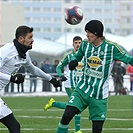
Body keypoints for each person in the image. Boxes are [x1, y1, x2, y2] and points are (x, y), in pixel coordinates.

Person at [55, 20, 133, 133]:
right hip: (82, 89)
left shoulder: (111, 48)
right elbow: (77, 56)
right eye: (86, 32)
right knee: (67, 115)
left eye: (89, 32)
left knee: (97, 129)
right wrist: (74, 62)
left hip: (99, 94)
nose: (87, 35)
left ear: (97, 34)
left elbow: (129, 59)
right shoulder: (85, 44)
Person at [0, 25, 61, 133]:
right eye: (30, 37)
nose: (32, 40)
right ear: (21, 39)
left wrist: (51, 79)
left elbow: (33, 70)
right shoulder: (7, 50)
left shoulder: (24, 55)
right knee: (14, 126)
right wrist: (12, 78)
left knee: (14, 127)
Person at [44, 36, 83, 133]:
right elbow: (58, 67)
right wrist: (61, 76)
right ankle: (77, 130)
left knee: (74, 106)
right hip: (70, 84)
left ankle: (53, 103)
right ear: (73, 44)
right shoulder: (69, 56)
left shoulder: (85, 55)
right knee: (76, 106)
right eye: (76, 43)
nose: (78, 44)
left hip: (80, 84)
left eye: (79, 43)